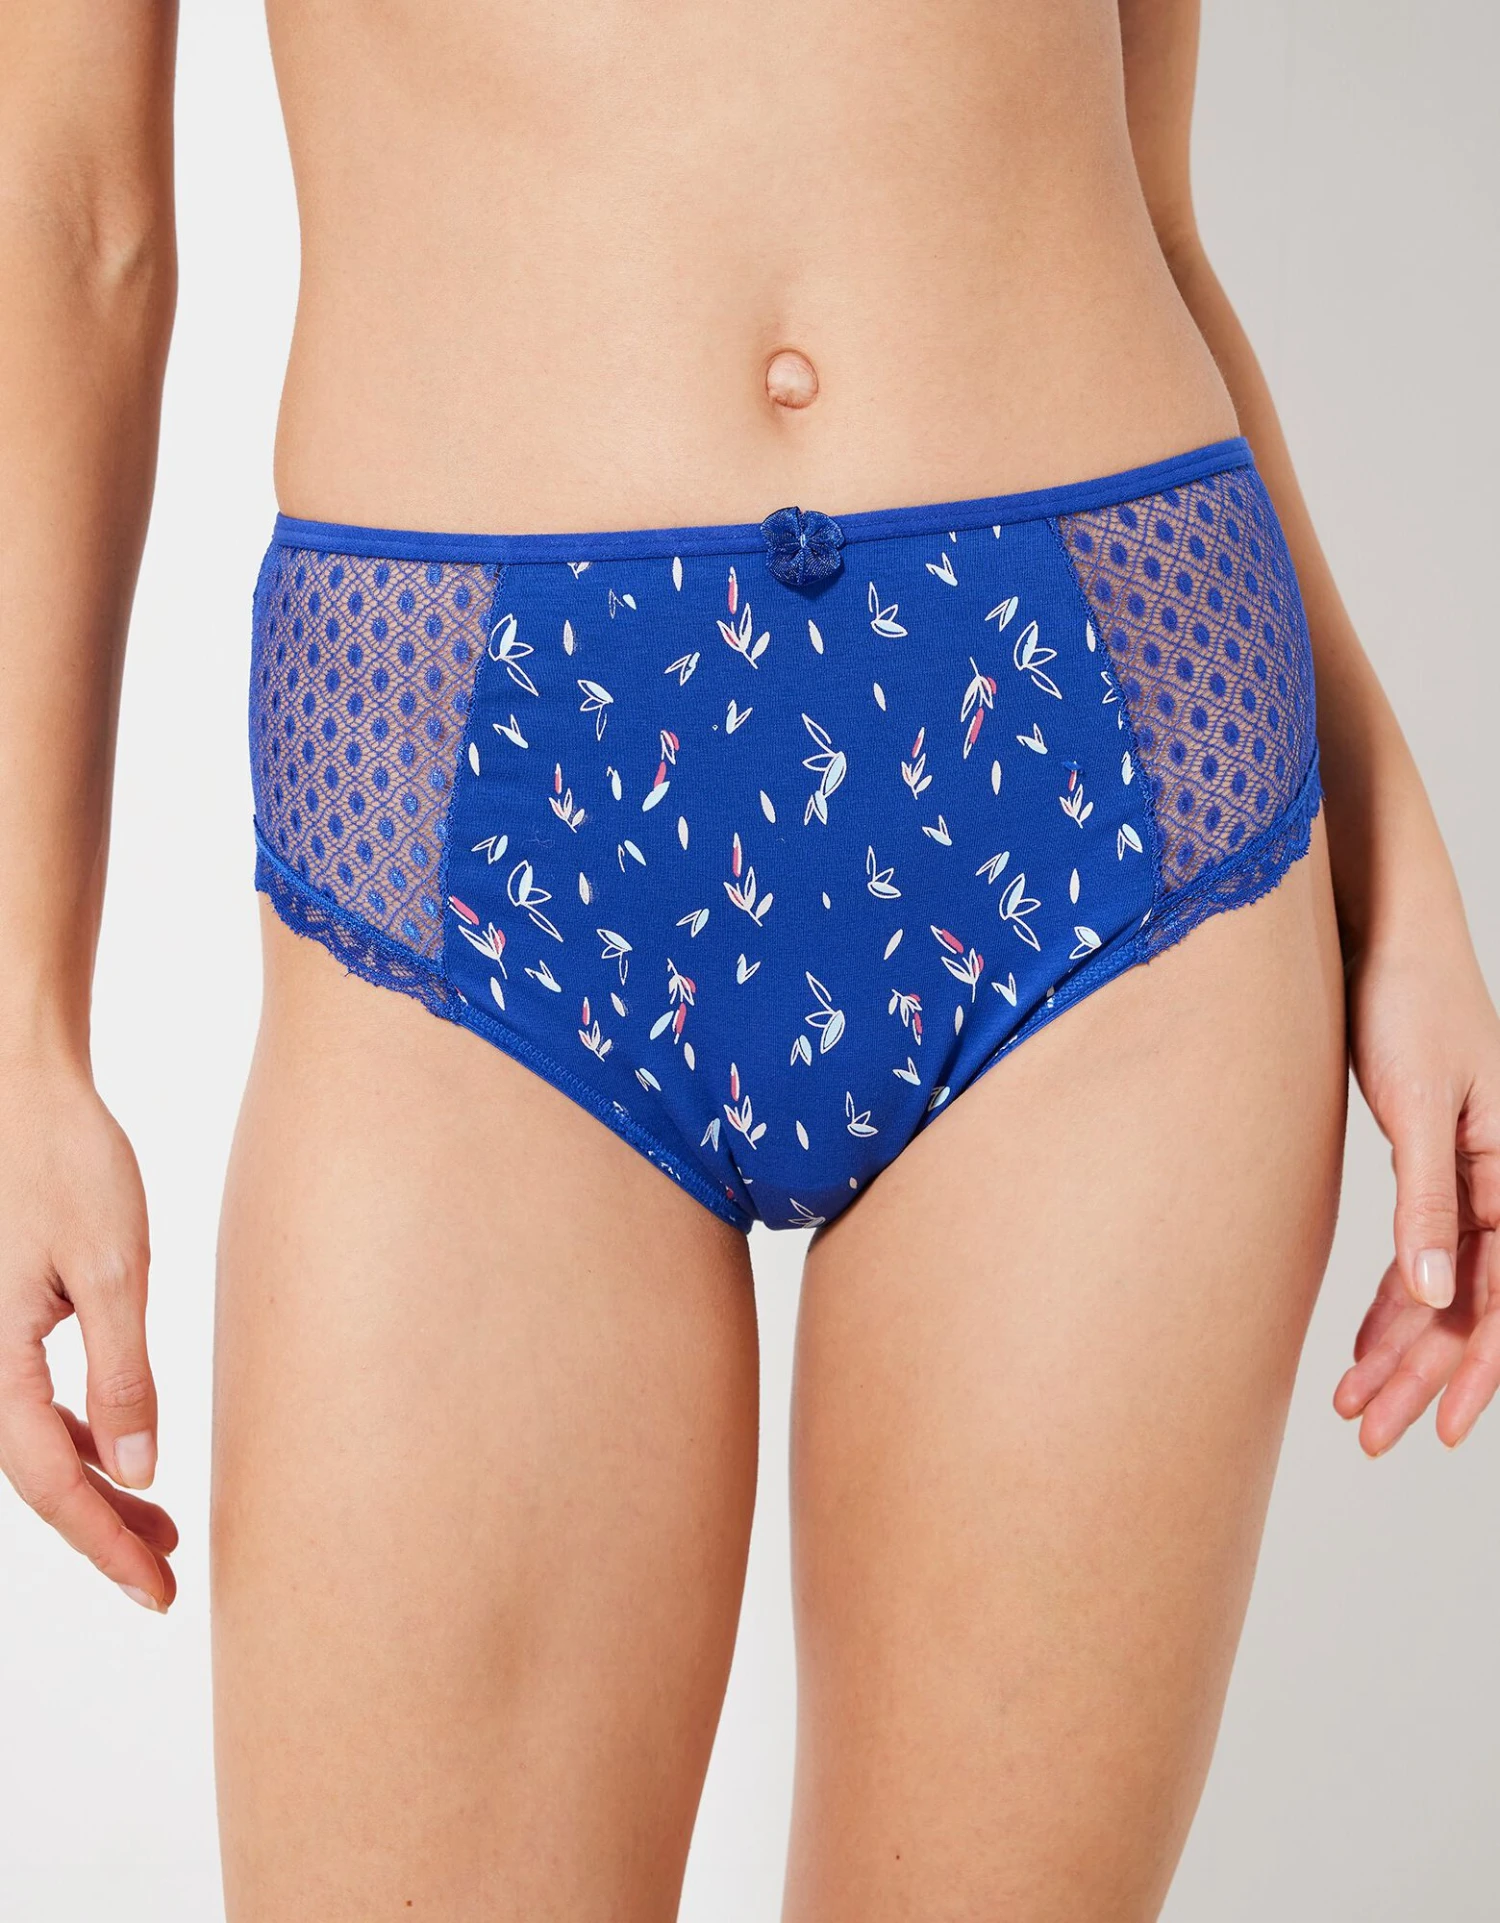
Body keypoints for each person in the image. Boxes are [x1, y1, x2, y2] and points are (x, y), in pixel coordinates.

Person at [2, 1, 1496, 1917]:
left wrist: (1401, 871)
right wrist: (23, 1022)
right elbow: (69, 217)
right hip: (484, 797)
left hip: (1102, 767)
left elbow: (1152, 204)